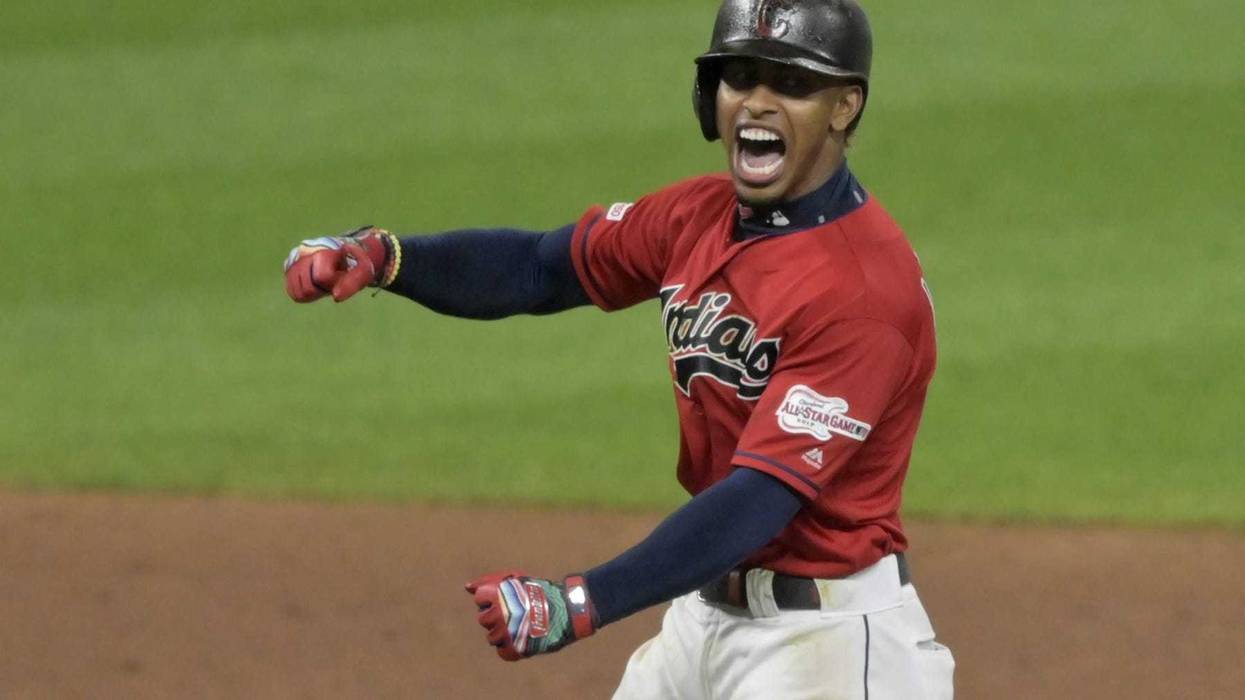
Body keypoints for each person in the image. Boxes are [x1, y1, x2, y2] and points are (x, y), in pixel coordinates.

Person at [282, 0, 954, 697]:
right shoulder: (696, 216)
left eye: (790, 83)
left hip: (826, 646)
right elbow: (539, 268)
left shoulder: (863, 291)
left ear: (844, 107)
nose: (757, 101)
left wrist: (580, 601)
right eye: (740, 76)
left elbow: (758, 499)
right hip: (703, 616)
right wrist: (386, 257)